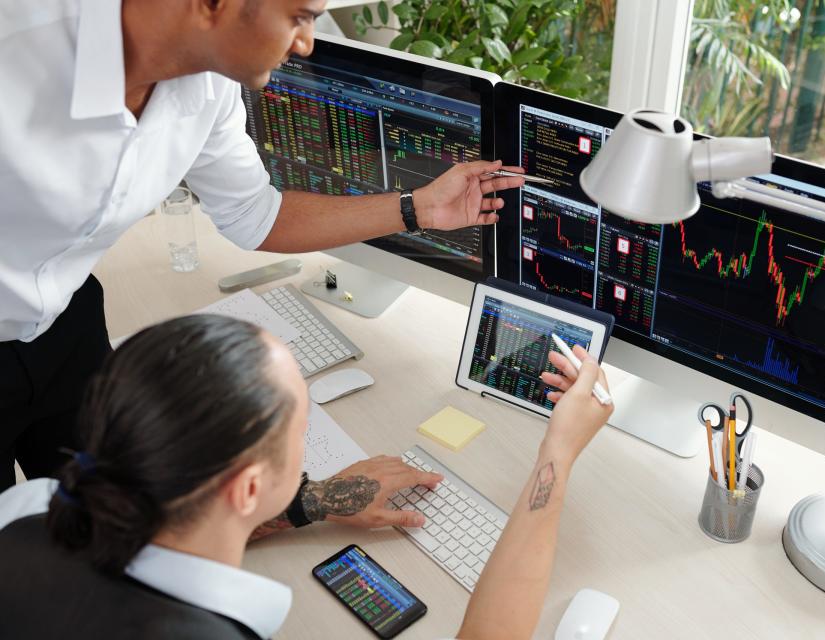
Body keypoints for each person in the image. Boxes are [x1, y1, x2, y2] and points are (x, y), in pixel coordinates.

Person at [0, 0, 525, 489]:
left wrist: (421, 208)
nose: (306, 44)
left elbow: (255, 214)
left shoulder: (207, 81)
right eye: (299, 16)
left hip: (63, 325)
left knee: (114, 524)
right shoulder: (18, 47)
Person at [0, 314, 613, 639]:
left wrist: (314, 500)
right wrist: (556, 454)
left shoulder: (27, 507)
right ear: (244, 490)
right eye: (299, 431)